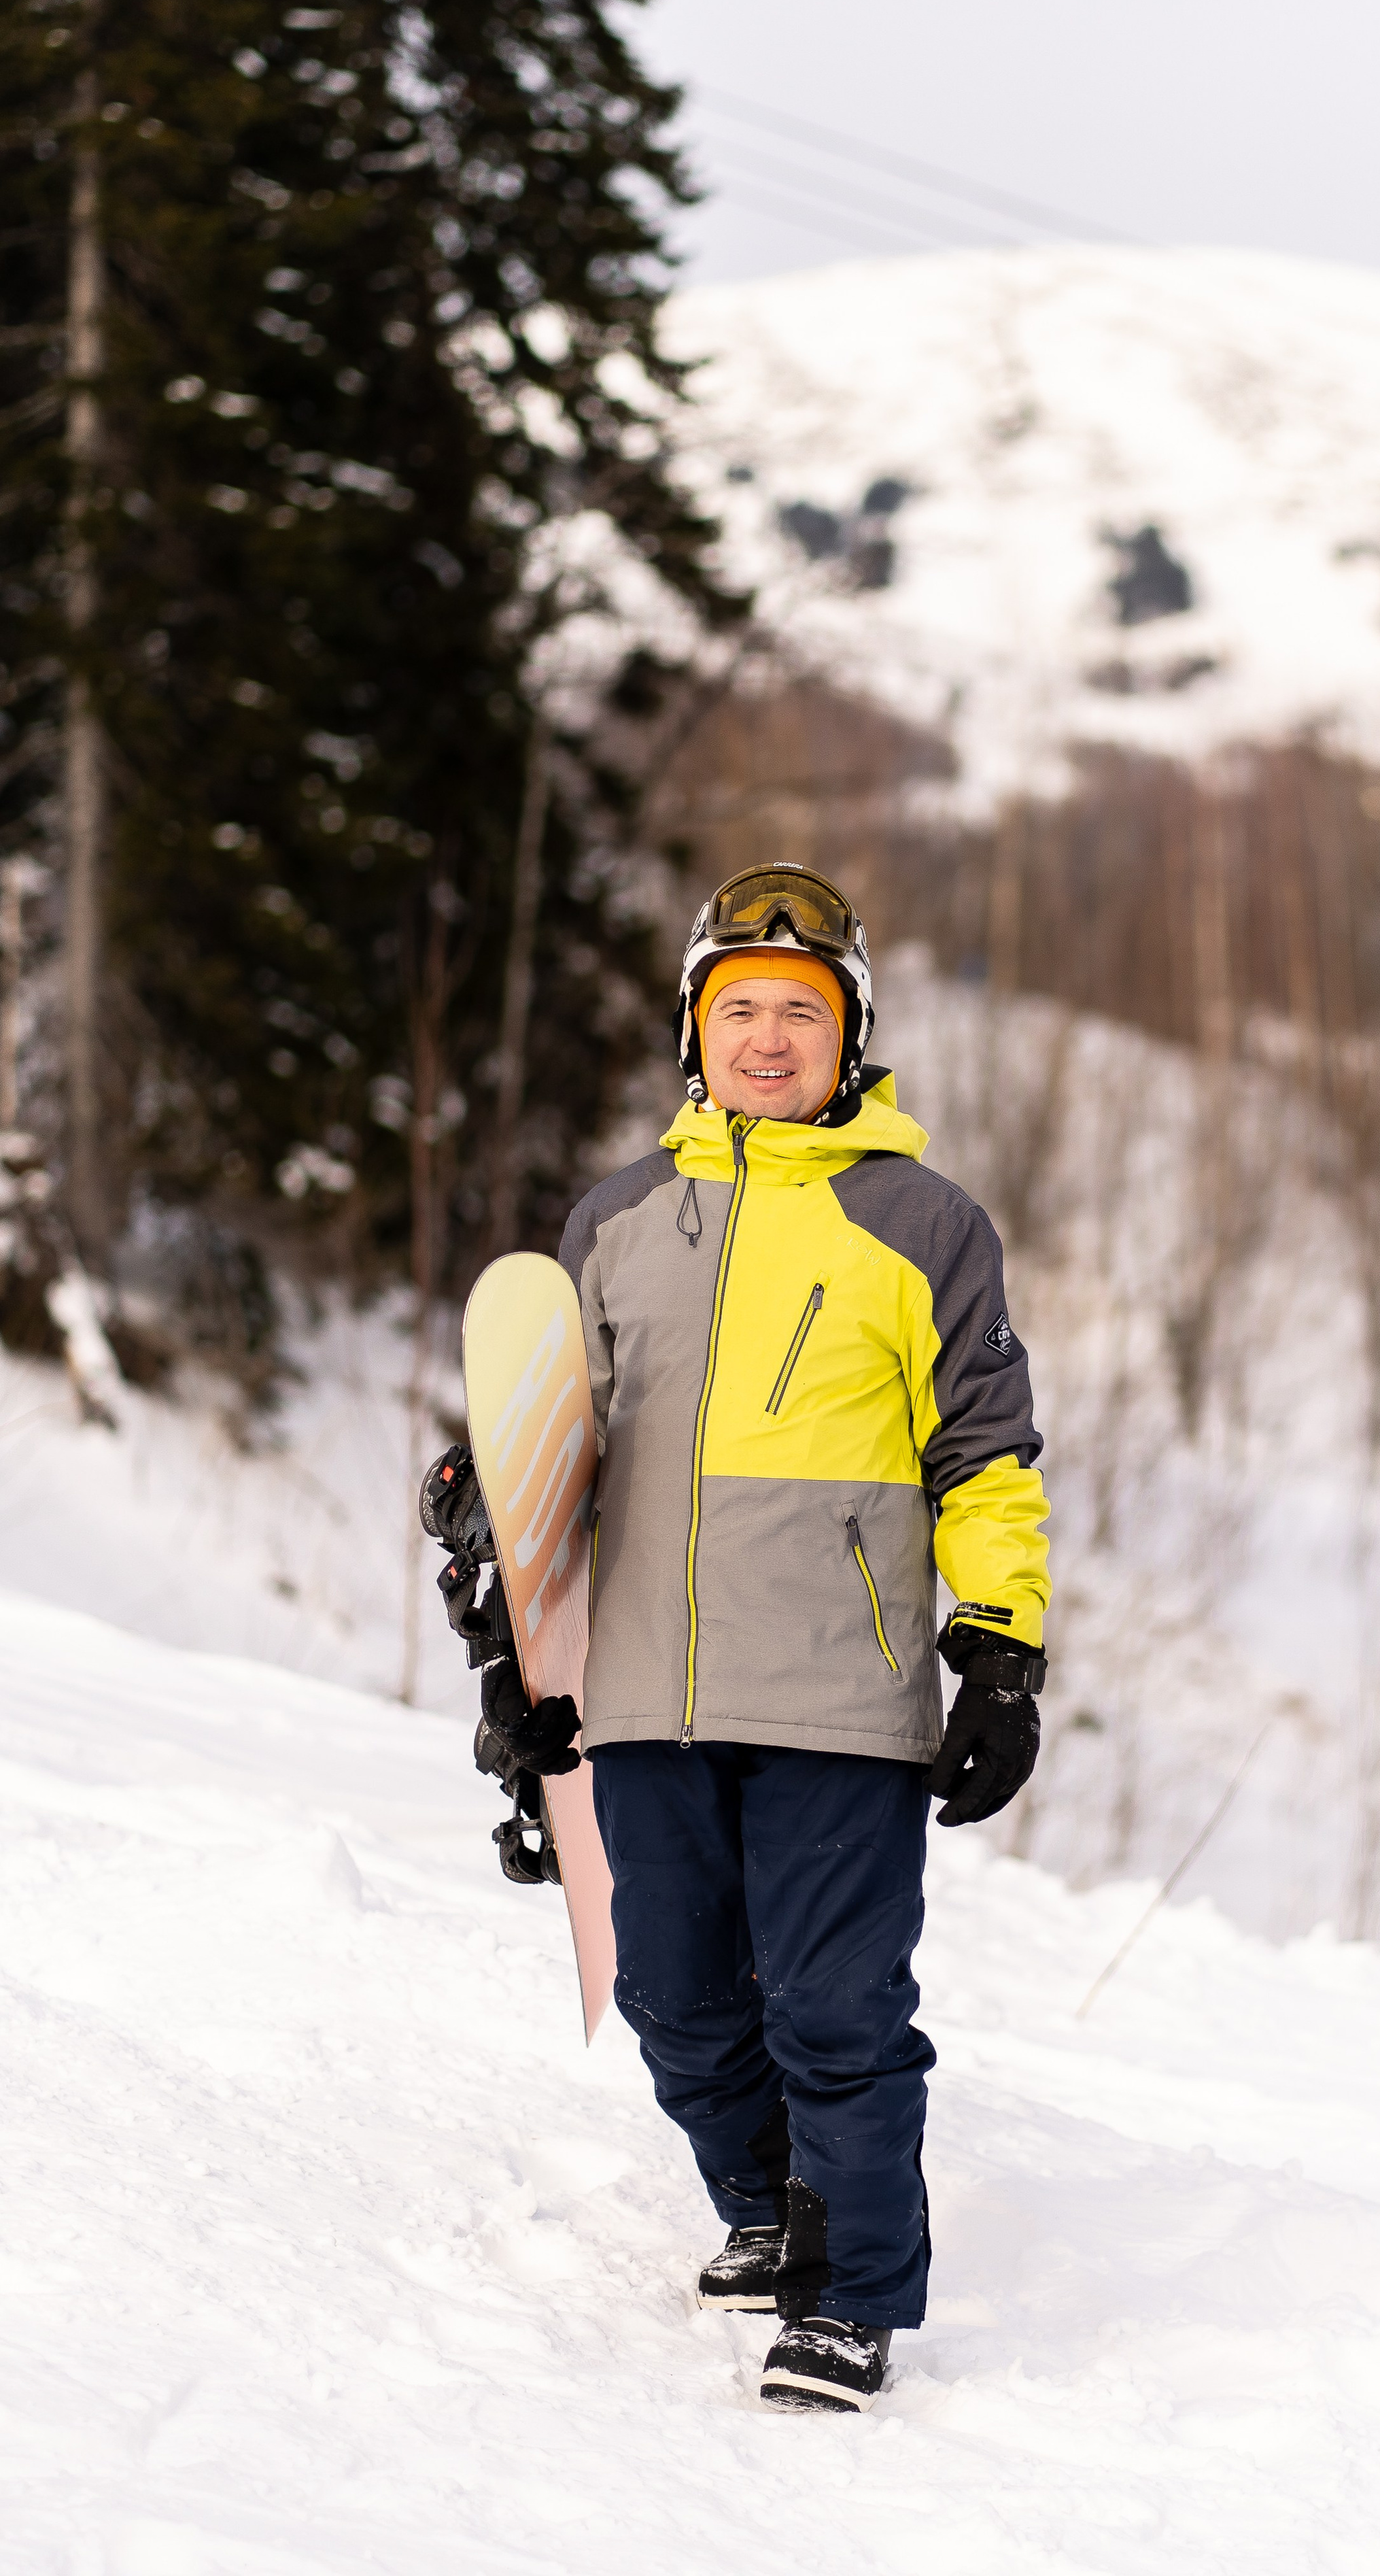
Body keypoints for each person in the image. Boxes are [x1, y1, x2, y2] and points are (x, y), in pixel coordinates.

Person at [476, 864, 1050, 2413]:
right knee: (667, 1986)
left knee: (834, 2004)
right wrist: (518, 1666)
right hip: (643, 1688)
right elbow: (549, 1470)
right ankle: (766, 2197)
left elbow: (984, 1456)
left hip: (835, 1693)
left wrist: (998, 1647)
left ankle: (850, 2291)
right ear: (694, 1033)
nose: (772, 1038)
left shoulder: (920, 1222)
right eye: (742, 1011)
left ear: (852, 1035)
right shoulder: (613, 1220)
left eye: (804, 1010)